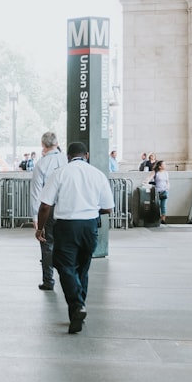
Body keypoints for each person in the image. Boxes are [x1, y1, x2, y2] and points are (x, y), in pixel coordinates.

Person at [36, 141, 115, 334]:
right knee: (83, 268)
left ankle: (78, 305)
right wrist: (90, 207)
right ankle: (77, 312)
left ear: (68, 157)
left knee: (64, 266)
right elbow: (108, 208)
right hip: (90, 226)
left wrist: (40, 228)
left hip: (66, 226)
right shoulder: (98, 175)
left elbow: (46, 205)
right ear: (86, 155)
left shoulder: (61, 173)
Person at [30, 131, 67, 291]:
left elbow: (36, 193)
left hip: (49, 209)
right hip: (67, 208)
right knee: (66, 245)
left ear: (43, 145)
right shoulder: (66, 160)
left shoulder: (41, 164)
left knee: (47, 244)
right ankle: (67, 278)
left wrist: (35, 217)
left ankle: (48, 280)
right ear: (57, 143)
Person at [148, 160, 170, 225]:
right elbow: (149, 178)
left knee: (164, 206)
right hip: (157, 191)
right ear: (160, 166)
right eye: (164, 164)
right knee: (157, 205)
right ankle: (156, 218)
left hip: (164, 191)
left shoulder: (166, 173)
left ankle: (163, 219)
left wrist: (167, 187)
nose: (165, 166)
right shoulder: (155, 172)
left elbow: (167, 181)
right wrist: (146, 182)